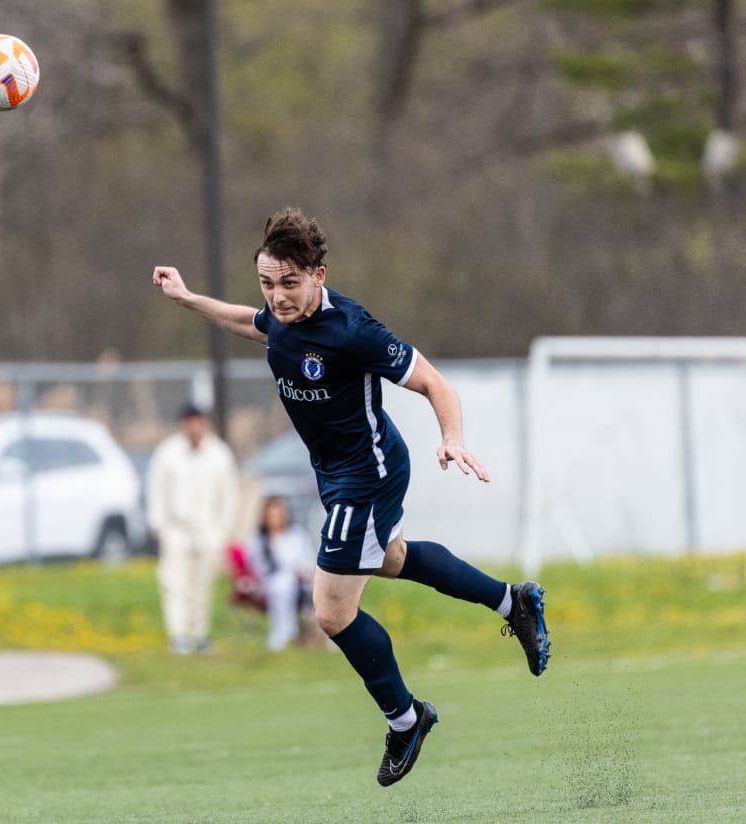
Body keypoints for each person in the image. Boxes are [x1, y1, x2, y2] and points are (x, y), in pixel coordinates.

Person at [152, 207, 550, 786]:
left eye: (289, 283)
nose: (277, 297)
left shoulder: (353, 330)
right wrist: (189, 299)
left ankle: (406, 718)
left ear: (319, 273)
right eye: (267, 283)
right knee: (393, 559)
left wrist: (453, 438)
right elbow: (253, 323)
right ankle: (513, 602)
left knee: (332, 610)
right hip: (337, 472)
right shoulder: (280, 315)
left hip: (368, 473)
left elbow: (434, 382)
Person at [146, 404, 239, 655]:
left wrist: (223, 530)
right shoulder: (168, 453)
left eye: (197, 421)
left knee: (202, 585)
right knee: (175, 584)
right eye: (188, 422)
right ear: (182, 424)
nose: (193, 427)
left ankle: (199, 636)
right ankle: (179, 636)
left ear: (204, 423)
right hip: (176, 530)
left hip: (208, 530)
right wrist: (160, 527)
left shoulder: (219, 454)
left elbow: (229, 496)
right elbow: (156, 491)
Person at [246, 495, 315, 651]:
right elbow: (257, 568)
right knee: (281, 584)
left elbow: (307, 563)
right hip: (270, 584)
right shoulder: (258, 540)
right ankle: (282, 631)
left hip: (299, 583)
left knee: (289, 584)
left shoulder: (297, 536)